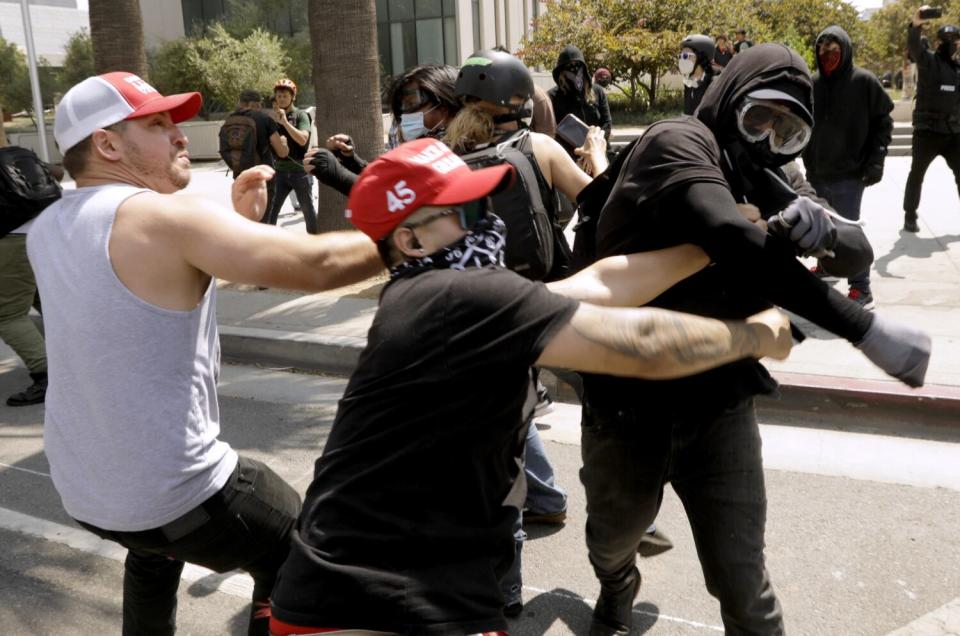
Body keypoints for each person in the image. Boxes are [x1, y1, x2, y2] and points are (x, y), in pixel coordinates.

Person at [267, 137, 795, 636]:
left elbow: (601, 284)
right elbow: (643, 344)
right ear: (410, 239)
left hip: (386, 583)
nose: (488, 222)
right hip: (375, 597)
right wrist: (755, 336)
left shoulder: (430, 297)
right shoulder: (462, 297)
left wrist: (709, 246)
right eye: (467, 213)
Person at [576, 45, 931, 635]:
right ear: (729, 99)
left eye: (787, 130)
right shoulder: (678, 142)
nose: (767, 139)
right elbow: (727, 235)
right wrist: (861, 328)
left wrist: (823, 231)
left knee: (746, 587)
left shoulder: (761, 177)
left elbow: (858, 249)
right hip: (627, 403)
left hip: (720, 404)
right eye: (759, 117)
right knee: (612, 540)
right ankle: (618, 582)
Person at [27, 71, 383, 636]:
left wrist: (237, 224)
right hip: (178, 490)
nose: (180, 135)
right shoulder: (160, 218)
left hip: (87, 489)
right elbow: (318, 267)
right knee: (303, 548)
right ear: (108, 144)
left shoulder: (48, 226)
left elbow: (146, 293)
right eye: (158, 124)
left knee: (153, 551)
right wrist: (417, 230)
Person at [446, 47, 610, 614]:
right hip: (548, 301)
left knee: (505, 430)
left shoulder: (442, 158)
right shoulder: (537, 146)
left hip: (481, 318)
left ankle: (544, 499)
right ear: (519, 100)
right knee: (606, 405)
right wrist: (598, 156)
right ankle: (606, 521)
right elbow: (600, 204)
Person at [802, 25, 893, 310]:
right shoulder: (813, 83)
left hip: (850, 175)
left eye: (833, 50)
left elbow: (884, 122)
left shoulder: (864, 81)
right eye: (822, 50)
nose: (826, 55)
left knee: (848, 230)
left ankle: (861, 288)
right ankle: (828, 267)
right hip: (817, 171)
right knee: (822, 224)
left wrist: (876, 160)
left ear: (845, 51)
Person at [308, 64, 462, 196]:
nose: (405, 116)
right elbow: (392, 181)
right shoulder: (423, 144)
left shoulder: (461, 152)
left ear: (444, 107)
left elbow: (399, 199)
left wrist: (339, 176)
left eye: (411, 104)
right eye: (401, 109)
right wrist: (351, 161)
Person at [0, 147, 62, 406]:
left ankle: (46, 376)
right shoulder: (15, 153)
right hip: (45, 228)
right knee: (45, 297)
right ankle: (77, 358)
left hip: (11, 239)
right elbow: (56, 171)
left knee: (8, 314)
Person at [902, 7, 960, 233]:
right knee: (916, 175)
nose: (951, 43)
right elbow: (915, 47)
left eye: (954, 40)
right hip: (927, 133)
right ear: (937, 43)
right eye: (946, 40)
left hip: (953, 133)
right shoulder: (928, 63)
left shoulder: (957, 70)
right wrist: (916, 24)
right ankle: (909, 216)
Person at [220, 89, 289, 215]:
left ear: (240, 103)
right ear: (256, 104)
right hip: (263, 179)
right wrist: (284, 142)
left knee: (246, 220)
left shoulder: (229, 121)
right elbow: (282, 152)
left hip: (240, 178)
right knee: (264, 222)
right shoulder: (264, 119)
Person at [265, 78, 318, 234]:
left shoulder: (301, 115)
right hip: (280, 172)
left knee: (308, 211)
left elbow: (303, 139)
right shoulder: (272, 119)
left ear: (292, 97)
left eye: (285, 96)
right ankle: (269, 243)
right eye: (279, 96)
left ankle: (314, 244)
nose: (281, 99)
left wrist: (285, 123)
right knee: (271, 212)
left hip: (299, 172)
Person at [548, 44, 613, 154]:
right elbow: (552, 131)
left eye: (577, 65)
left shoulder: (598, 92)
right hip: (570, 156)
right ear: (561, 70)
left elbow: (607, 123)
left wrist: (594, 148)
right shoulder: (552, 97)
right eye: (569, 66)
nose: (574, 69)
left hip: (599, 152)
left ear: (583, 67)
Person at [679, 34, 717, 115]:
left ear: (701, 57)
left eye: (686, 56)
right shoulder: (688, 81)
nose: (682, 60)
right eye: (681, 56)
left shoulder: (715, 82)